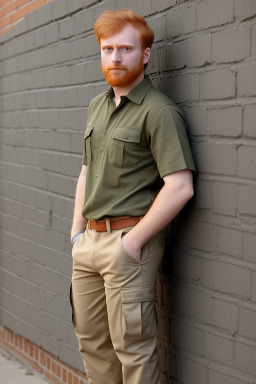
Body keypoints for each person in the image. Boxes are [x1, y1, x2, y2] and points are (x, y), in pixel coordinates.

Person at [70, 9, 195, 384]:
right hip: (88, 243)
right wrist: (76, 233)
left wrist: (133, 242)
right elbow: (87, 172)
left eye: (125, 48)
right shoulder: (97, 106)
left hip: (127, 244)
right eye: (107, 49)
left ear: (144, 55)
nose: (115, 57)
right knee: (92, 344)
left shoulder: (159, 112)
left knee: (134, 350)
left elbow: (180, 186)